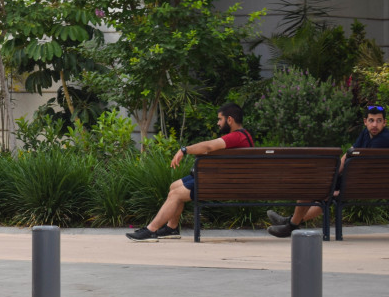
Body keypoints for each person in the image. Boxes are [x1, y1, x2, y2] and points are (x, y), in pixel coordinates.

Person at [126, 103, 254, 242]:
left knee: (176, 194)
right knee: (174, 186)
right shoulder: (242, 136)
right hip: (224, 180)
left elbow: (209, 146)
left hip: (222, 184)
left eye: (220, 119)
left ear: (229, 120)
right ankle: (171, 228)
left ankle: (150, 230)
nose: (218, 123)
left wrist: (184, 150)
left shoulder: (236, 137)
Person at [265, 104, 389, 237]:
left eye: (379, 120)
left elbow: (364, 170)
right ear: (365, 122)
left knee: (311, 189)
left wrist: (342, 189)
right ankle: (290, 223)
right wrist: (334, 176)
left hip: (360, 184)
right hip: (355, 181)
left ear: (384, 122)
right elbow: (348, 155)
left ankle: (290, 224)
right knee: (320, 193)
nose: (375, 124)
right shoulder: (366, 133)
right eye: (371, 120)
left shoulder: (382, 139)